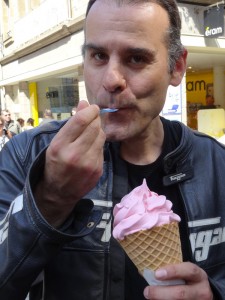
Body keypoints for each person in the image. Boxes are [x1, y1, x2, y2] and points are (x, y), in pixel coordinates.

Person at [0, 0, 224, 299]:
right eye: (99, 56)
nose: (110, 81)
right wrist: (51, 198)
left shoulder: (215, 162)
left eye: (136, 58)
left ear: (177, 67)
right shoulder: (27, 153)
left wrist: (216, 293)